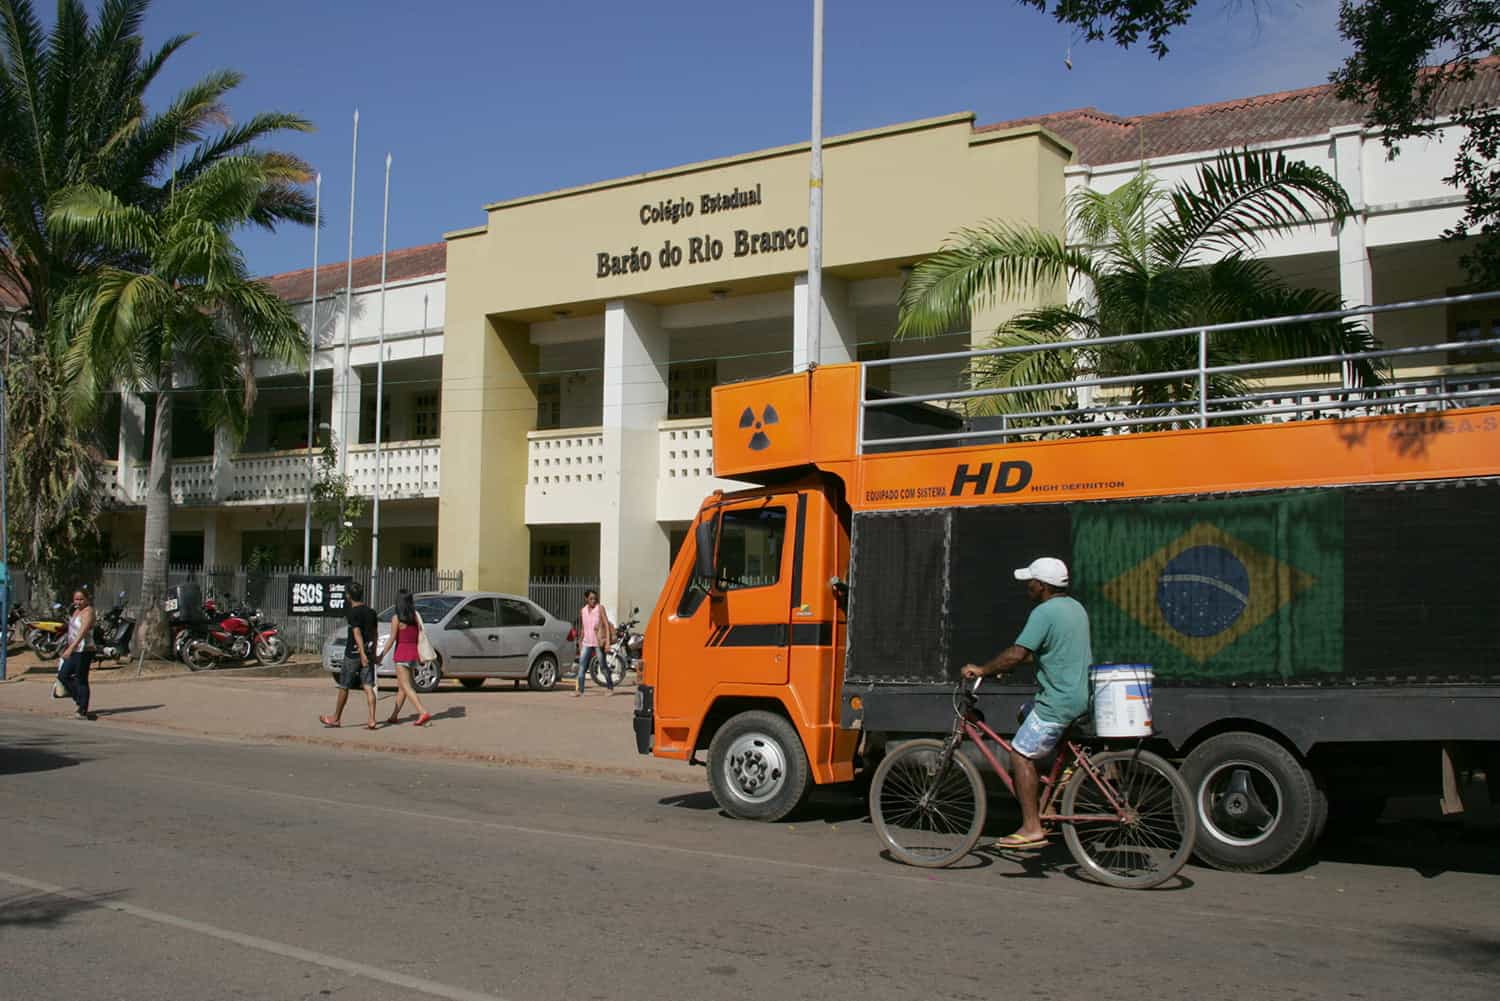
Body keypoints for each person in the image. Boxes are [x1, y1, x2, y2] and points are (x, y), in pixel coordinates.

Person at [961, 556, 1092, 850]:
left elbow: (1018, 652)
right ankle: (1059, 779)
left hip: (1058, 702)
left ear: (1042, 586)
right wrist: (1005, 666)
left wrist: (983, 669)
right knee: (1025, 713)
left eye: (1030, 582)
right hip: (1079, 696)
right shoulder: (1075, 608)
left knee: (1020, 754)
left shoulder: (1044, 613)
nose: (1027, 587)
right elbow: (1046, 652)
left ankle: (1032, 827)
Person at [321, 582, 379, 730]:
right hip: (369, 652)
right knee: (368, 685)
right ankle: (372, 719)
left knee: (344, 685)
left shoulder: (353, 613)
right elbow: (374, 633)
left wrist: (361, 652)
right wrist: (373, 651)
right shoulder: (371, 612)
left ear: (348, 596)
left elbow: (356, 632)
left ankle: (336, 718)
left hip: (353, 654)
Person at [378, 590, 433, 727]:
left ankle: (422, 711)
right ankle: (394, 715)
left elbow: (392, 639)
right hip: (414, 653)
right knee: (402, 687)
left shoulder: (397, 618)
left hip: (401, 653)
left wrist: (381, 654)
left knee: (406, 686)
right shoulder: (415, 616)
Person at [57, 587, 98, 721]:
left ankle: (82, 709)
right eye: (76, 599)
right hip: (74, 649)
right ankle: (79, 699)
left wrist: (71, 648)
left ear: (87, 599)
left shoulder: (88, 611)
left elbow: (83, 632)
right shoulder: (76, 611)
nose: (78, 602)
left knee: (81, 678)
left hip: (84, 650)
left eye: (81, 599)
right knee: (63, 675)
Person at [573, 589, 615, 697]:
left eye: (595, 598)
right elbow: (583, 627)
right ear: (586, 599)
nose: (593, 601)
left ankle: (610, 687)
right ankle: (580, 690)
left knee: (603, 666)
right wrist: (580, 641)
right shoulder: (583, 611)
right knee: (582, 666)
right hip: (587, 642)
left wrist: (607, 643)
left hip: (598, 642)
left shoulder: (600, 608)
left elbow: (606, 624)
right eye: (591, 598)